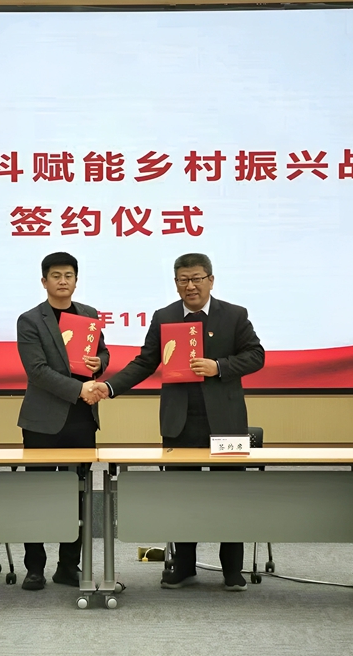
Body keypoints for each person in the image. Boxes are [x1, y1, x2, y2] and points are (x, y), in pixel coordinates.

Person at [94, 253, 265, 591]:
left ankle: (232, 569)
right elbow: (145, 362)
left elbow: (256, 355)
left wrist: (219, 367)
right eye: (183, 280)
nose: (191, 286)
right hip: (180, 423)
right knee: (181, 496)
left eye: (197, 278)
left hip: (226, 423)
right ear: (175, 284)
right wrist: (110, 387)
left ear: (210, 280)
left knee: (230, 496)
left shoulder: (234, 315)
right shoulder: (165, 317)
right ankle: (184, 566)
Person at [16, 252, 109, 591]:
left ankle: (68, 566)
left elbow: (103, 353)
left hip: (81, 419)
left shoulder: (89, 314)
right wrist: (79, 388)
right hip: (42, 422)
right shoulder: (30, 320)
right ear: (44, 281)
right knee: (38, 495)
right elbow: (37, 371)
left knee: (78, 495)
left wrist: (99, 363)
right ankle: (34, 568)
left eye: (68, 275)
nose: (62, 281)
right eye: (56, 275)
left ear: (76, 280)